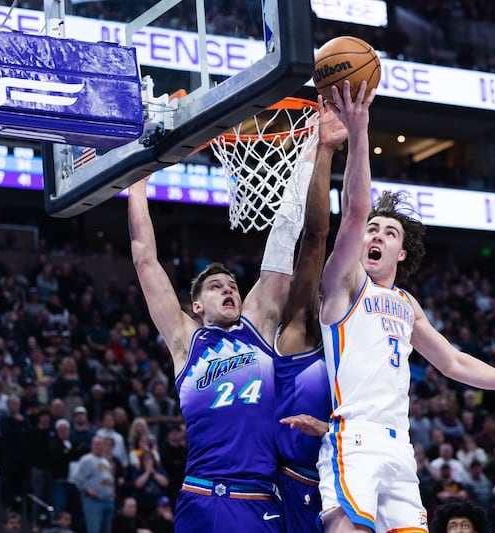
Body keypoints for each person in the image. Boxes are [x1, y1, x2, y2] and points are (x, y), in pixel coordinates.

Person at [312, 80, 495, 532]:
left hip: (400, 449)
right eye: (372, 230)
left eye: (388, 233)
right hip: (353, 438)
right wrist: (359, 131)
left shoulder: (406, 305)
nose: (375, 235)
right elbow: (353, 212)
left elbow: (452, 361)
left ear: (403, 254)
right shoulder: (346, 283)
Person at [127, 120, 311, 530]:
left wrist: (312, 150)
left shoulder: (258, 327)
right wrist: (136, 180)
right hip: (199, 495)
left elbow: (284, 234)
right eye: (215, 287)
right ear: (196, 305)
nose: (228, 290)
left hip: (255, 500)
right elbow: (144, 259)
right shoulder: (184, 341)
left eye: (232, 286)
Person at [275, 95, 347, 533]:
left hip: (334, 486)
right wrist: (324, 150)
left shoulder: (353, 352)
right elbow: (317, 236)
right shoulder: (298, 330)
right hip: (282, 482)